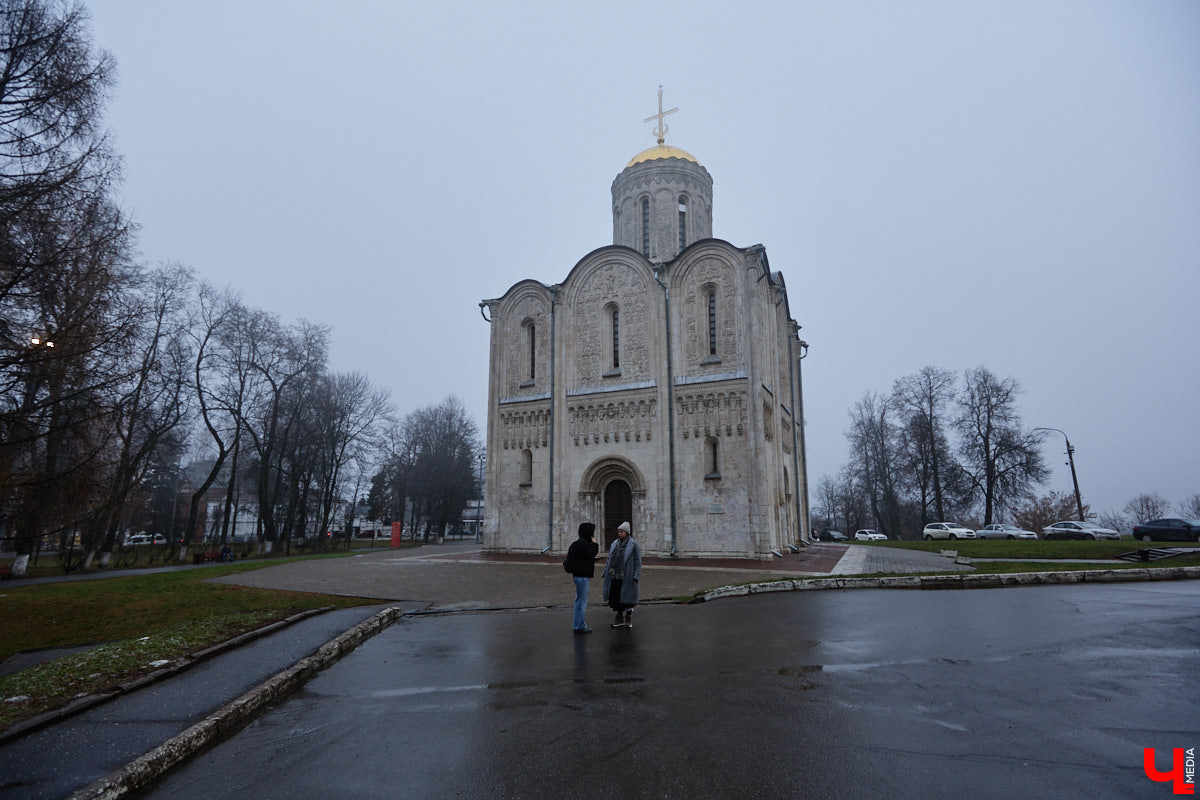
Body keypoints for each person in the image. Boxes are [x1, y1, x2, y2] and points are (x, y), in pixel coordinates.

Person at [602, 521, 641, 628]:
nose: (619, 533)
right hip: (615, 575)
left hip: (628, 576)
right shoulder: (614, 544)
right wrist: (606, 572)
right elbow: (609, 559)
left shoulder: (634, 545)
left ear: (627, 533)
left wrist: (636, 575)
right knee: (616, 597)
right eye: (619, 531)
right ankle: (619, 618)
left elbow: (638, 561)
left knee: (628, 599)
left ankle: (628, 618)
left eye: (621, 531)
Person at [564, 522, 600, 633]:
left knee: (579, 600)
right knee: (582, 601)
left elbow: (582, 558)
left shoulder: (577, 543)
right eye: (592, 532)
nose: (593, 534)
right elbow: (591, 553)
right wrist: (595, 543)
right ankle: (580, 626)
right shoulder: (583, 543)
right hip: (582, 576)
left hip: (577, 575)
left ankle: (578, 624)